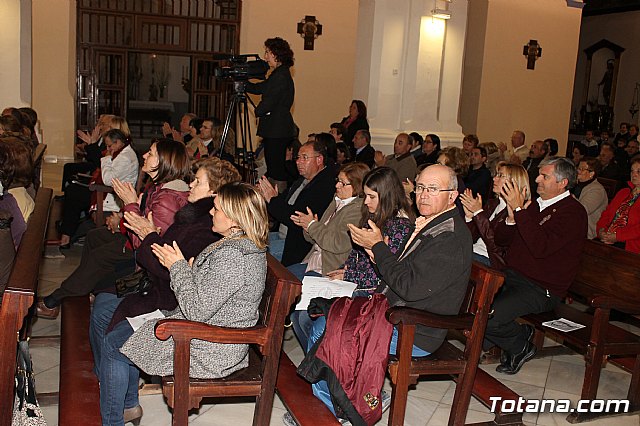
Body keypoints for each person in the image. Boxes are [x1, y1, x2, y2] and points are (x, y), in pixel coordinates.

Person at [296, 165, 472, 421]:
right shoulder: (431, 223)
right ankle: (336, 400)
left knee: (326, 330)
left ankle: (336, 411)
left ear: (452, 195)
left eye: (433, 189)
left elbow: (409, 287)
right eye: (420, 187)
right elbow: (402, 274)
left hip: (417, 329)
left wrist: (378, 248)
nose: (423, 195)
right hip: (393, 311)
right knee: (323, 314)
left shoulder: (449, 238)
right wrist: (377, 253)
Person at [98, 182, 269, 426]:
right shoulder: (238, 245)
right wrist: (187, 270)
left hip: (210, 349)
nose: (210, 212)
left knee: (113, 345)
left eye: (217, 209)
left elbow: (196, 310)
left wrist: (177, 267)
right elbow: (209, 292)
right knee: (121, 333)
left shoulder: (234, 256)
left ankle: (115, 419)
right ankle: (126, 408)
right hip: (208, 335)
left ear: (234, 219)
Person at [37, 139, 191, 319]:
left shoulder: (168, 199)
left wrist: (129, 205)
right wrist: (122, 215)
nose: (144, 155)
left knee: (99, 256)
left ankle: (54, 300)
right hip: (135, 241)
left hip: (146, 258)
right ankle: (88, 289)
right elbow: (144, 215)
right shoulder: (160, 186)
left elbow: (145, 243)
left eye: (150, 153)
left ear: (164, 161)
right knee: (95, 236)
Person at [290, 166, 412, 351]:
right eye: (365, 196)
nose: (366, 202)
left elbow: (383, 276)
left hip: (375, 295)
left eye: (371, 197)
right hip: (355, 282)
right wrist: (345, 269)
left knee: (312, 319)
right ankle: (319, 365)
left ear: (386, 196)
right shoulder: (373, 215)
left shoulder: (399, 227)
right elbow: (356, 254)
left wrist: (348, 276)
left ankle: (326, 368)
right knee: (299, 311)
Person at [486, 157, 587, 375]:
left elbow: (540, 247)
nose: (537, 179)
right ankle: (516, 336)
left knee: (489, 316)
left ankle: (520, 345)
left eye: (545, 176)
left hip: (540, 288)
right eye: (539, 174)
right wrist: (512, 219)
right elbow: (502, 241)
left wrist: (520, 212)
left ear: (563, 183)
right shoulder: (536, 206)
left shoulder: (573, 213)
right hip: (513, 276)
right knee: (474, 304)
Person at [257, 139, 336, 266]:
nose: (299, 162)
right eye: (298, 158)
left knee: (253, 252)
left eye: (305, 158)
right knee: (250, 241)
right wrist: (271, 198)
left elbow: (296, 217)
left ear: (319, 160)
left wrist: (273, 200)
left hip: (297, 244)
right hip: (283, 234)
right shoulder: (302, 180)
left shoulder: (324, 186)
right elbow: (285, 203)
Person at [57, 128, 139, 250]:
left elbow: (107, 179)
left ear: (118, 143)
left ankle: (66, 235)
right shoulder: (121, 152)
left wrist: (106, 158)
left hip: (111, 197)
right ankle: (66, 231)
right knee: (73, 190)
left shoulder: (125, 157)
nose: (108, 149)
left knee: (74, 193)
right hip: (108, 192)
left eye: (109, 146)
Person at [287, 162, 369, 280]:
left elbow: (337, 244)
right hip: (313, 261)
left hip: (327, 269)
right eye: (338, 180)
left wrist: (312, 225)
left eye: (343, 183)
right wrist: (307, 227)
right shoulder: (336, 201)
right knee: (279, 276)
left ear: (357, 186)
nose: (337, 185)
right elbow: (314, 239)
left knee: (285, 284)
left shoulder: (357, 211)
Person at [246, 37, 297, 190]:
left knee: (276, 170)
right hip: (275, 129)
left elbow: (270, 101)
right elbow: (260, 88)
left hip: (277, 130)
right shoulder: (279, 74)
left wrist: (258, 110)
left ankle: (276, 198)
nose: (266, 56)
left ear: (277, 54)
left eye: (268, 52)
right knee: (274, 168)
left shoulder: (280, 76)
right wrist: (244, 83)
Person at [460, 163, 530, 268]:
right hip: (473, 251)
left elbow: (496, 245)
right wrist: (470, 217)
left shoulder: (520, 211)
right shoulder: (492, 203)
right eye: (496, 175)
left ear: (514, 181)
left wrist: (478, 213)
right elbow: (472, 237)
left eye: (501, 176)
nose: (494, 179)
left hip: (489, 260)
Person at [596, 157, 640, 253]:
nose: (634, 174)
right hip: (608, 237)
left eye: (638, 172)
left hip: (630, 244)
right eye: (632, 171)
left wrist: (618, 236)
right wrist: (601, 231)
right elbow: (606, 213)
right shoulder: (624, 192)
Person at [572, 157, 607, 240]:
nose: (578, 171)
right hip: (574, 228)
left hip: (588, 233)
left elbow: (582, 210)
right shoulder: (576, 185)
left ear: (592, 173)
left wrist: (569, 196)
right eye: (578, 168)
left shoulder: (597, 190)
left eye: (582, 169)